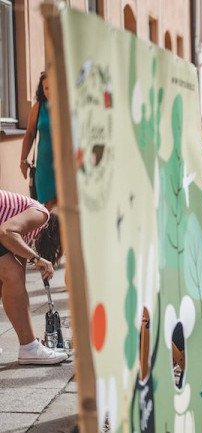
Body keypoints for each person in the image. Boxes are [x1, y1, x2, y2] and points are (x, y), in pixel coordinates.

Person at [0, 190, 66, 365]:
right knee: (12, 274)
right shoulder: (41, 214)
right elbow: (6, 232)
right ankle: (29, 348)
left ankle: (29, 344)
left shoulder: (26, 232)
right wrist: (36, 258)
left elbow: (17, 286)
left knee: (13, 277)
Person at [21, 72, 57, 210]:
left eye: (51, 87)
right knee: (48, 207)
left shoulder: (66, 106)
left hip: (64, 163)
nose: (48, 92)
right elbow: (29, 134)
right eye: (45, 88)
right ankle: (48, 232)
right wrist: (23, 160)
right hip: (45, 167)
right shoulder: (38, 108)